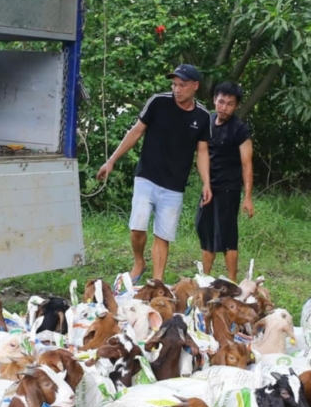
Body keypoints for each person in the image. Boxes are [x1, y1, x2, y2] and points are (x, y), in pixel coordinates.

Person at [96, 64, 212, 283]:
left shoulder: (203, 116)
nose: (177, 89)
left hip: (174, 185)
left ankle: (157, 280)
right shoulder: (158, 102)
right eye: (174, 84)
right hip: (146, 176)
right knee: (137, 226)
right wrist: (111, 160)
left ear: (195, 86)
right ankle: (139, 262)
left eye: (183, 85)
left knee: (163, 234)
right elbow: (136, 132)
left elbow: (203, 151)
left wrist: (207, 183)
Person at [196, 81, 254, 280]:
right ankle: (205, 278)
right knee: (206, 233)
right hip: (208, 187)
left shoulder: (240, 130)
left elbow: (247, 164)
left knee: (228, 237)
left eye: (230, 104)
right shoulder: (208, 122)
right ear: (214, 100)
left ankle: (232, 282)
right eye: (221, 102)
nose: (224, 107)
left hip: (229, 189)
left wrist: (247, 197)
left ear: (236, 105)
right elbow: (200, 153)